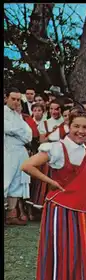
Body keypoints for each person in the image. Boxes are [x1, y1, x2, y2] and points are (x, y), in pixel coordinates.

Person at [21, 111, 86, 280]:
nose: (81, 131)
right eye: (76, 126)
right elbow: (27, 165)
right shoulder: (57, 147)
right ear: (68, 125)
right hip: (63, 209)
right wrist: (51, 183)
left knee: (81, 253)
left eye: (85, 127)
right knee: (62, 252)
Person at [4, 88, 33, 225]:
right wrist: (20, 132)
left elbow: (28, 135)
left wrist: (18, 132)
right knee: (6, 181)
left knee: (16, 182)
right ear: (6, 98)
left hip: (20, 152)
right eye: (13, 99)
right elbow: (8, 128)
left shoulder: (19, 115)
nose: (16, 102)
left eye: (18, 100)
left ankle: (11, 214)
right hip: (7, 151)